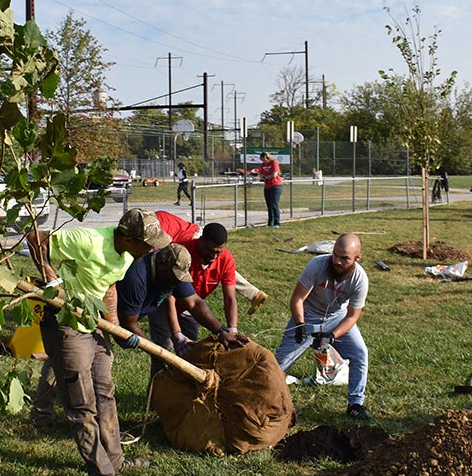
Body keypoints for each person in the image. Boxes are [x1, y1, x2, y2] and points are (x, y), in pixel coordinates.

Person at [24, 209, 171, 476]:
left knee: (105, 393)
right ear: (128, 238)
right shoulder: (88, 240)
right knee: (83, 406)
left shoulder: (129, 254)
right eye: (147, 243)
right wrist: (52, 282)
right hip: (66, 324)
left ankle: (116, 460)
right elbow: (34, 239)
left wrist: (114, 325)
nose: (151, 249)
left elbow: (109, 286)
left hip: (95, 325)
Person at [274, 233, 371, 420]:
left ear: (357, 258)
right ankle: (268, 400)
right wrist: (300, 325)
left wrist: (331, 336)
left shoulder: (360, 279)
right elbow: (297, 299)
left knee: (360, 353)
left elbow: (352, 316)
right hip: (308, 315)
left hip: (338, 317)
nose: (337, 261)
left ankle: (355, 403)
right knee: (280, 365)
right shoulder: (317, 265)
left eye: (345, 258)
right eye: (335, 255)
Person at [116, 243, 243, 374]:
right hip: (104, 317)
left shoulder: (171, 274)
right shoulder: (136, 278)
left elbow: (194, 303)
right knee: (100, 372)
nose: (178, 282)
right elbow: (128, 323)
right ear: (162, 266)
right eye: (175, 277)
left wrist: (221, 331)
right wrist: (156, 353)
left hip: (128, 315)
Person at [153, 211, 269, 312]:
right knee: (221, 266)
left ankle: (254, 294)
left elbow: (159, 253)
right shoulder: (157, 218)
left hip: (192, 238)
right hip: (194, 234)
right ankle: (254, 293)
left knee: (219, 264)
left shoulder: (155, 226)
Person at [260, 151, 283, 227]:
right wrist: (262, 176)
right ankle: (270, 223)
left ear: (267, 157)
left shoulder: (274, 162)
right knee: (269, 205)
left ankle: (277, 223)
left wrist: (266, 177)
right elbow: (261, 173)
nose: (264, 162)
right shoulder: (263, 164)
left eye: (264, 160)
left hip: (275, 186)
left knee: (274, 204)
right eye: (262, 160)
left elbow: (274, 174)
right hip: (267, 186)